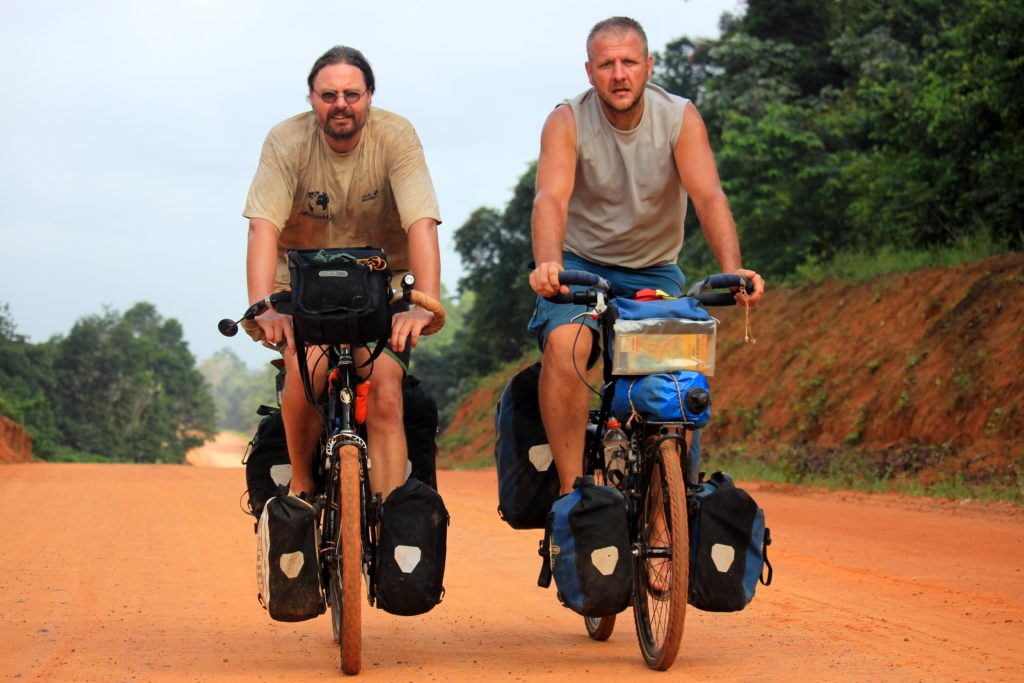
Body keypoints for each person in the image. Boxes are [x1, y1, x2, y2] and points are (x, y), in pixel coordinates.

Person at [528, 16, 765, 495]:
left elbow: (709, 195)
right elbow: (549, 198)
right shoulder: (567, 120)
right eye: (607, 64)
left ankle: (674, 498)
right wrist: (548, 263)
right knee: (566, 347)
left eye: (629, 62)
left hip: (655, 268)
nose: (619, 74)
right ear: (590, 72)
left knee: (679, 375)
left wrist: (731, 269)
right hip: (581, 265)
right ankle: (573, 496)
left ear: (649, 66)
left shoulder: (679, 117)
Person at [242, 45, 441, 501]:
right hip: (299, 284)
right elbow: (261, 227)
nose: (341, 104)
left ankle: (392, 519)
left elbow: (422, 223)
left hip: (380, 285)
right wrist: (265, 307)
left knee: (387, 388)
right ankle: (304, 489)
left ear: (370, 95)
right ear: (310, 98)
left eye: (352, 93)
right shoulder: (285, 141)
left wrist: (424, 304)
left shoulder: (397, 137)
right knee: (307, 369)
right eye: (328, 94)